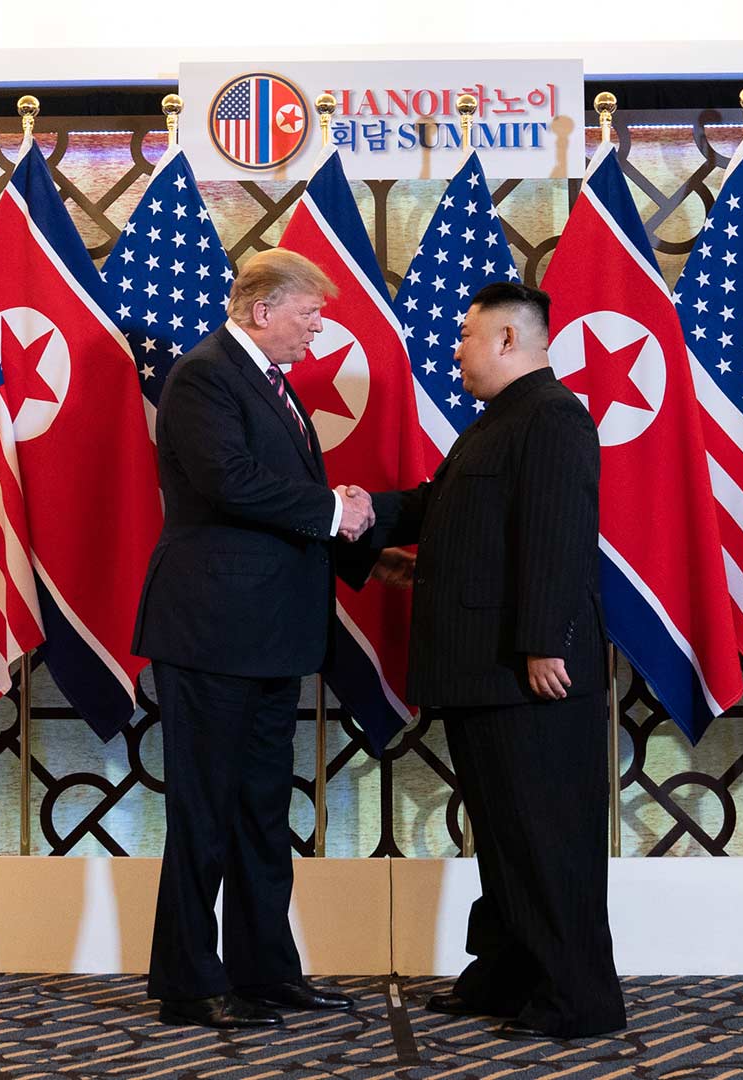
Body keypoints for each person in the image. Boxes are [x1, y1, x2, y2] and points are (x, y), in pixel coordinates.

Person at [360, 281, 625, 1038]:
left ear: (509, 340)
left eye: (468, 335)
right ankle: (510, 977)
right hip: (484, 671)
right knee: (508, 837)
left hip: (526, 672)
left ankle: (578, 1000)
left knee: (545, 838)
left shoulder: (551, 416)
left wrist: (546, 640)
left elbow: (558, 535)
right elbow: (443, 509)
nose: (457, 348)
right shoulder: (500, 421)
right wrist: (360, 514)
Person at [132, 248, 376, 1030]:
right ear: (263, 310)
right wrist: (334, 512)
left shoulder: (273, 386)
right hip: (211, 632)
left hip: (269, 635)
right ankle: (189, 983)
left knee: (262, 812)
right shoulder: (204, 375)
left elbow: (279, 495)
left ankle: (266, 970)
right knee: (205, 812)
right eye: (310, 313)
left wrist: (360, 535)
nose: (318, 328)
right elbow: (230, 482)